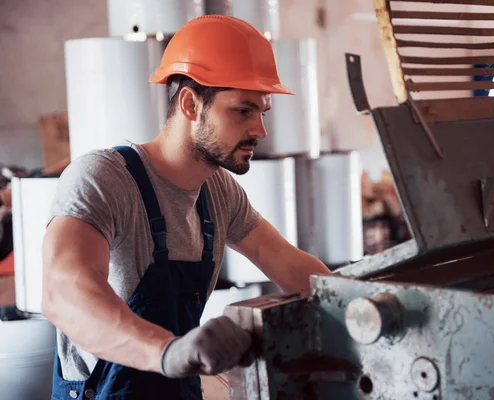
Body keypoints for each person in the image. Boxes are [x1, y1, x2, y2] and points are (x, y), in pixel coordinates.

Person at [42, 15, 331, 400]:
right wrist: (169, 351)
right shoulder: (103, 178)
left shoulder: (218, 191)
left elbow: (288, 263)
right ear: (191, 104)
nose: (260, 129)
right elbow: (63, 294)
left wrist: (360, 303)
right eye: (243, 111)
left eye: (263, 112)